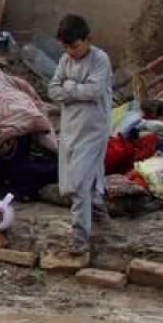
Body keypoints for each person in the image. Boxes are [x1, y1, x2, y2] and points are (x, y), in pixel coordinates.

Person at [47, 14, 113, 254]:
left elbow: (94, 91)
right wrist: (74, 90)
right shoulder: (65, 60)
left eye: (74, 46)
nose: (71, 52)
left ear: (88, 40)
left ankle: (80, 236)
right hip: (70, 129)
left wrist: (69, 88)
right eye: (66, 47)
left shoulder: (100, 60)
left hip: (94, 129)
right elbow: (52, 89)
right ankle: (100, 215)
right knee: (75, 180)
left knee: (78, 182)